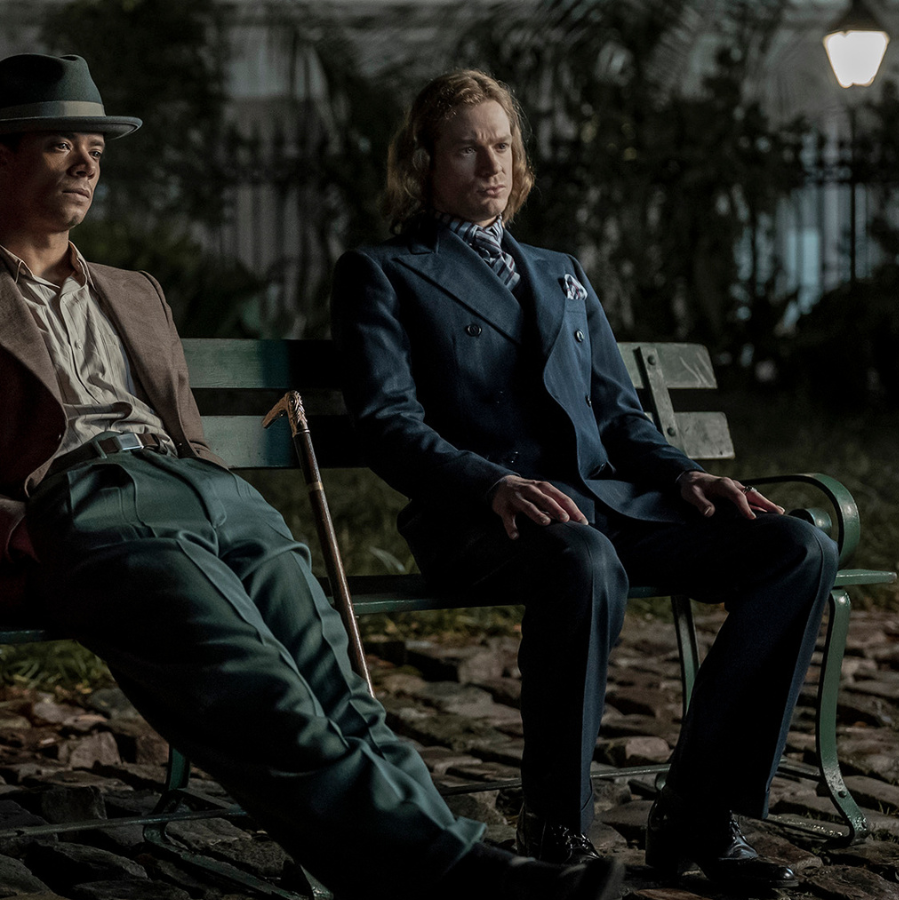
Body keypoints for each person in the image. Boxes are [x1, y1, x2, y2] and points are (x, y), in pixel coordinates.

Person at [0, 52, 622, 900]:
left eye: (96, 147)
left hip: (211, 493)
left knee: (336, 681)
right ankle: (463, 875)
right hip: (86, 505)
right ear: (0, 156)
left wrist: (211, 485)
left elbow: (185, 427)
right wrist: (23, 533)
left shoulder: (134, 289)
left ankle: (449, 864)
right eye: (59, 145)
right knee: (260, 684)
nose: (87, 164)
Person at [330, 69, 835, 891]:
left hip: (603, 503)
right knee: (585, 559)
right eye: (466, 148)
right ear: (423, 163)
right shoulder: (381, 271)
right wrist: (490, 483)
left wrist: (683, 477)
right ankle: (555, 826)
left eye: (502, 145)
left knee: (795, 547)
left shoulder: (559, 269)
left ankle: (699, 812)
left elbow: (618, 412)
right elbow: (389, 422)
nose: (491, 164)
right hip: (482, 519)